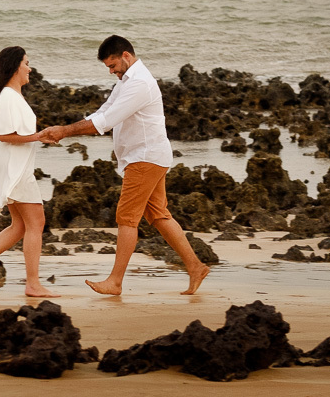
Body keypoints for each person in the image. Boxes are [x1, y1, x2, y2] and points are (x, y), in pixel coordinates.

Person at [43, 35, 209, 295]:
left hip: (144, 158)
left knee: (126, 218)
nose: (111, 71)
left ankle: (115, 282)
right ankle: (196, 267)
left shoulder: (139, 83)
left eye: (112, 65)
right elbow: (103, 111)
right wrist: (64, 129)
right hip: (148, 156)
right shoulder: (126, 81)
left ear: (126, 56)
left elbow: (106, 121)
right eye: (108, 68)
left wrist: (64, 131)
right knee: (159, 215)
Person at [0, 46, 59, 298]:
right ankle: (33, 284)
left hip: (15, 163)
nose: (30, 68)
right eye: (27, 63)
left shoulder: (13, 96)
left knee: (20, 225)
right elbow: (2, 134)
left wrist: (39, 138)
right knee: (36, 222)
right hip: (14, 166)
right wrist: (38, 136)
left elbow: (16, 135)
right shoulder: (8, 96)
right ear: (16, 66)